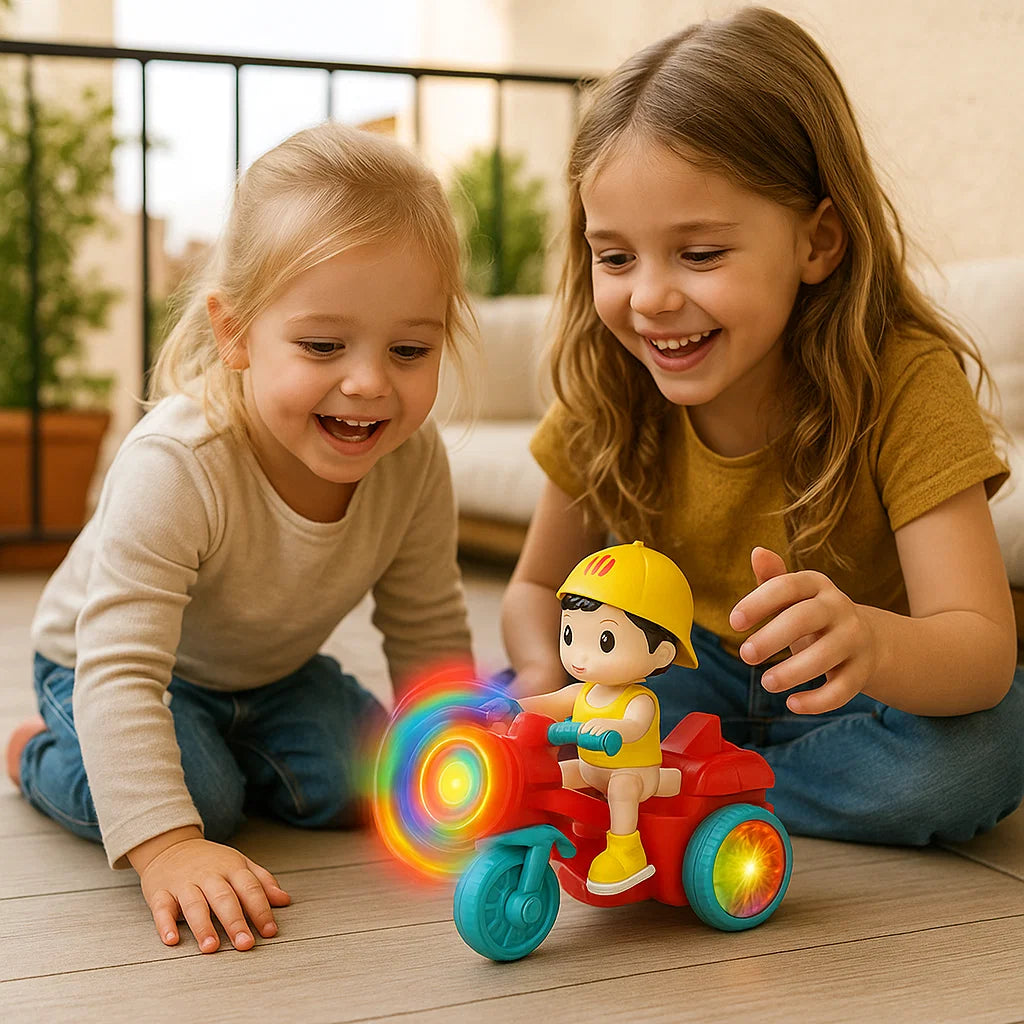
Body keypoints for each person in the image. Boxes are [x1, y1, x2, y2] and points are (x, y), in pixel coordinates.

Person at [501, 7, 1024, 848]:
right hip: (676, 677)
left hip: (846, 695)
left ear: (818, 242)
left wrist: (869, 643)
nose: (649, 298)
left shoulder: (905, 381)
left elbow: (981, 648)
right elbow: (534, 589)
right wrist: (544, 675)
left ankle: (683, 786)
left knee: (987, 750)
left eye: (700, 254)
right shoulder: (612, 383)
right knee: (542, 701)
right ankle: (689, 779)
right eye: (616, 257)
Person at [4, 122, 475, 954]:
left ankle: (234, 750)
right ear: (235, 333)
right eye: (323, 345)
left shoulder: (413, 460)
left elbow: (426, 625)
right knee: (202, 808)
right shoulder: (177, 463)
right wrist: (167, 847)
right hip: (106, 669)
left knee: (371, 781)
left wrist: (464, 762)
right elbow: (121, 667)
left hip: (272, 674)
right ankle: (38, 757)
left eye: (410, 349)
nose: (369, 382)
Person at [511, 541, 698, 894]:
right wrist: (513, 707)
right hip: (590, 768)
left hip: (637, 775)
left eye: (605, 641)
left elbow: (635, 726)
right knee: (553, 775)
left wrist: (614, 727)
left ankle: (626, 851)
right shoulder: (582, 691)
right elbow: (550, 702)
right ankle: (548, 830)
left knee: (621, 788)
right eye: (569, 635)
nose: (580, 657)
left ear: (661, 654)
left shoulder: (639, 698)